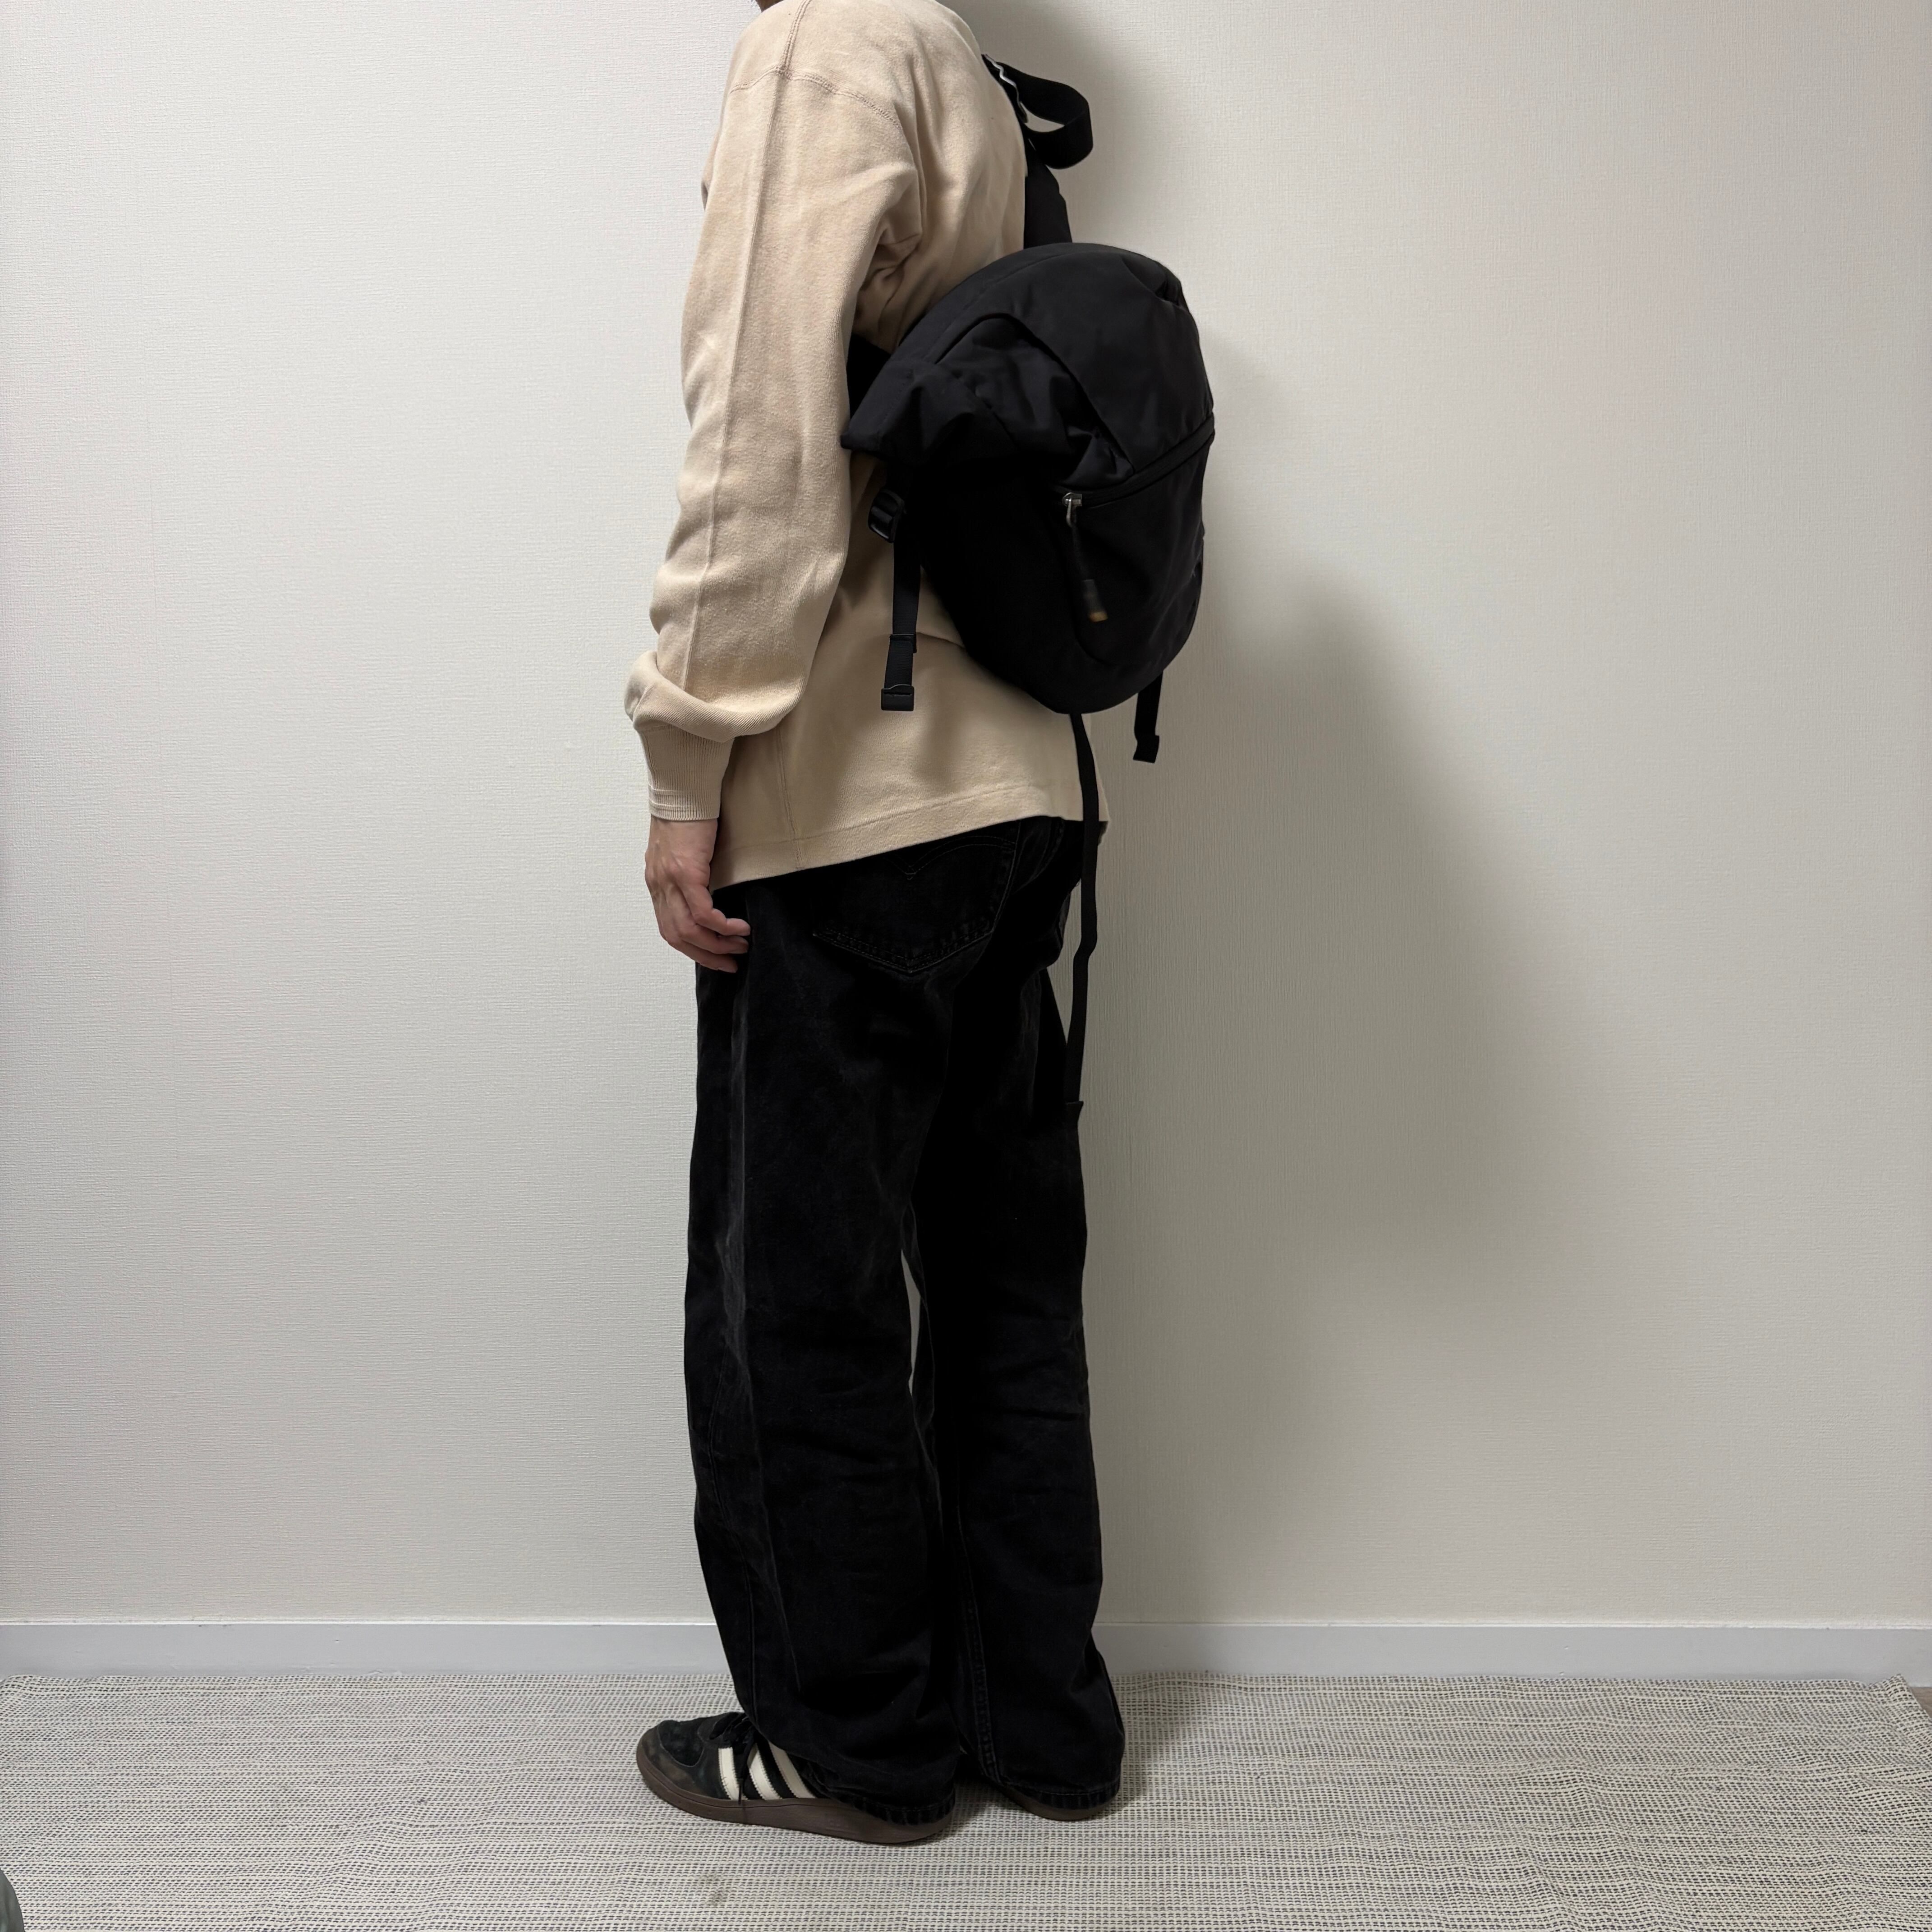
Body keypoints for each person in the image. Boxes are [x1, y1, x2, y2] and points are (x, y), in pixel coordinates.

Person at [625, 0, 1124, 1845]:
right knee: (1004, 1285)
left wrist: (686, 757)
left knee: (799, 1301)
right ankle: (1039, 1727)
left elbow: (765, 450)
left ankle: (855, 1745)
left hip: (849, 800)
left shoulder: (827, 43)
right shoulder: (978, 76)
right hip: (1025, 786)